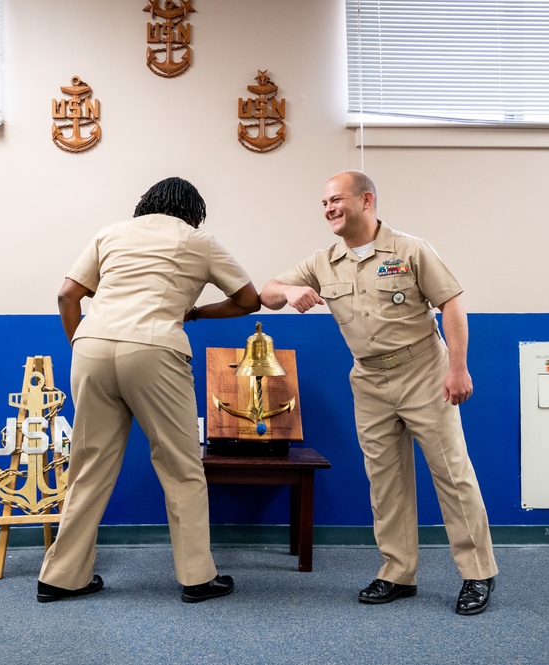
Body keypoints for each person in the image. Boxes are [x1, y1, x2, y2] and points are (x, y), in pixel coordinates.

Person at [260, 170, 498, 615]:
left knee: (451, 472)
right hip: (368, 381)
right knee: (385, 481)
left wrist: (459, 369)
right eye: (324, 203)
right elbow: (267, 291)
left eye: (337, 200)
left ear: (366, 200)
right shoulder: (324, 260)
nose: (329, 209)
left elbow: (452, 304)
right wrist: (291, 290)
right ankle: (397, 572)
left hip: (425, 371)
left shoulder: (410, 249)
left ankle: (477, 573)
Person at [38, 176, 260, 604]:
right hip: (156, 347)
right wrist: (193, 314)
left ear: (147, 204)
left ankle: (60, 577)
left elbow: (68, 295)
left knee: (88, 466)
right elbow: (249, 300)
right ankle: (197, 578)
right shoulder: (200, 240)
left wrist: (84, 346)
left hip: (93, 347)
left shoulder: (110, 233)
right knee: (180, 466)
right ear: (193, 212)